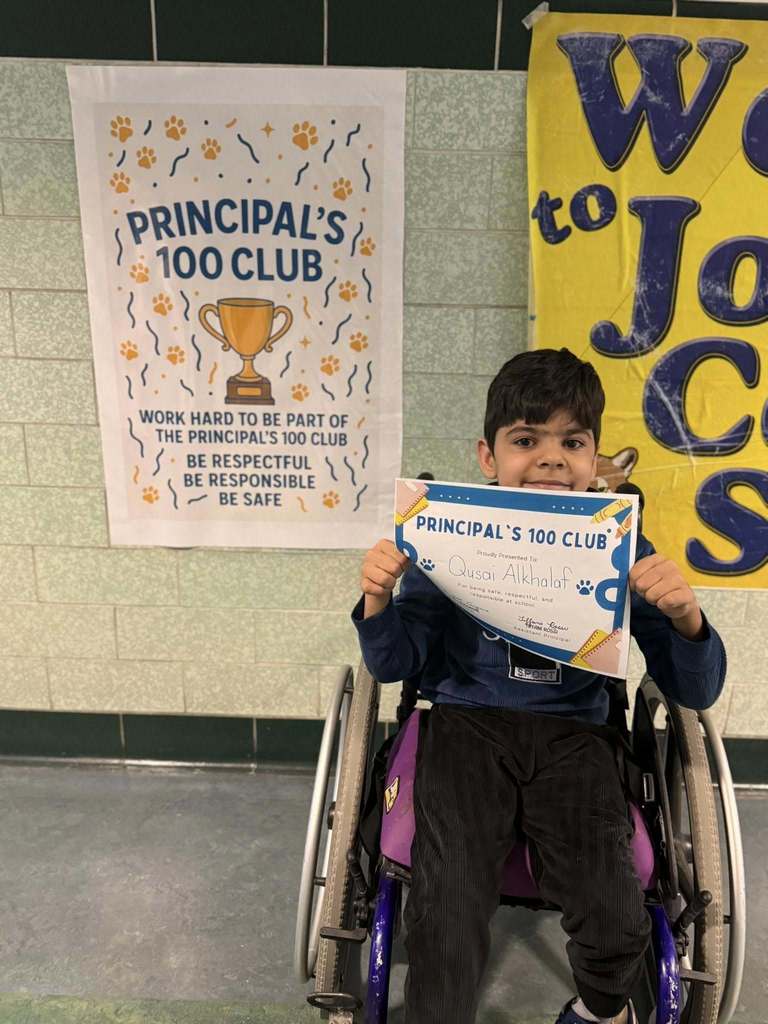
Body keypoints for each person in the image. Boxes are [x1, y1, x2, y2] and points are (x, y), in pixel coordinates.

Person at [351, 348, 726, 1024]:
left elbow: (693, 689)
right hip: (464, 727)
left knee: (618, 917)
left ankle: (598, 1010)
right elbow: (395, 662)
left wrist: (686, 619)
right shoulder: (449, 536)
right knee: (443, 911)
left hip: (578, 738)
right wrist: (380, 600)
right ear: (488, 457)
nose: (552, 459)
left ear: (595, 459)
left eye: (573, 442)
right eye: (527, 440)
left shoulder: (621, 546)